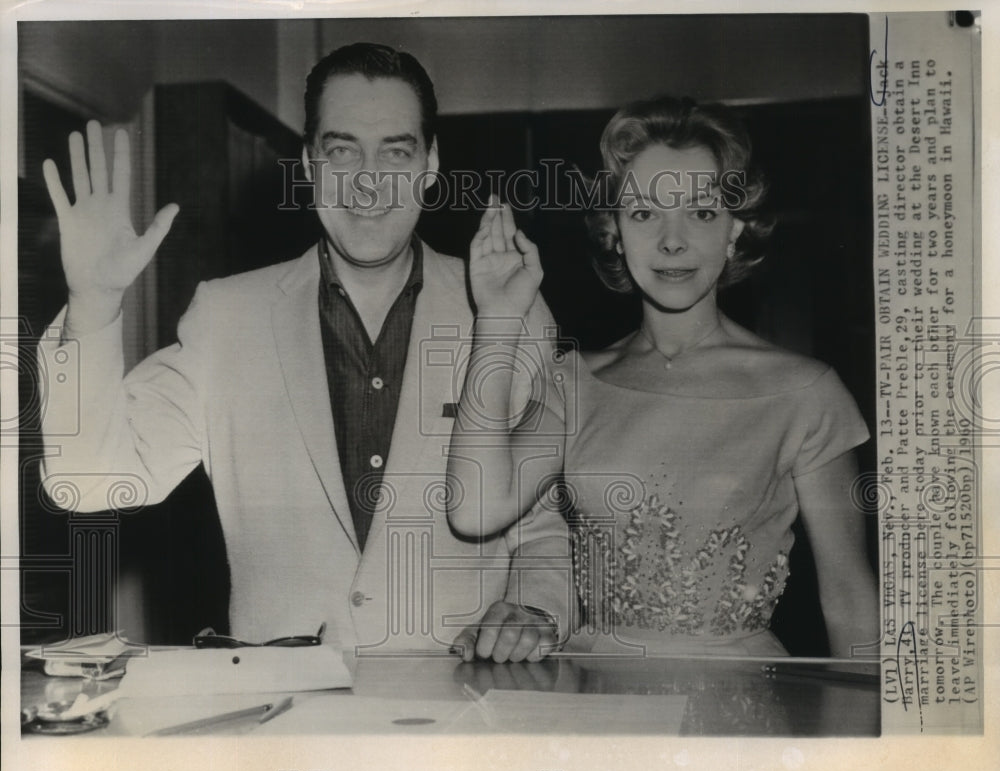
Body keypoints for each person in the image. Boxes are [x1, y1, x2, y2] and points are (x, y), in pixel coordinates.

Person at [37, 42, 571, 662]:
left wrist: (533, 608)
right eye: (342, 150)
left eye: (395, 152)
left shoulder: (510, 310)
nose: (368, 181)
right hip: (284, 708)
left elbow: (540, 524)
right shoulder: (226, 316)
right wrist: (94, 304)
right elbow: (90, 482)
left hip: (462, 702)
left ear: (430, 165)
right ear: (309, 164)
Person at [446, 96, 878, 658]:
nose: (673, 241)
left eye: (701, 213)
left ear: (734, 230)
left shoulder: (806, 393)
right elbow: (475, 507)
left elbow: (848, 600)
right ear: (614, 231)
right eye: (645, 213)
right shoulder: (573, 382)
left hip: (743, 699)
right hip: (599, 697)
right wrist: (499, 318)